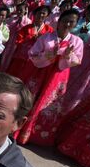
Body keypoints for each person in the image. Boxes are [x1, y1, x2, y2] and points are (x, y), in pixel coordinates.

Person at [13, 9, 84, 145]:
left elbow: (78, 60)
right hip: (40, 71)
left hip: (58, 75)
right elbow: (32, 53)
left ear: (75, 24)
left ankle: (35, 135)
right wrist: (48, 55)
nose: (67, 24)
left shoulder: (77, 42)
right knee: (31, 98)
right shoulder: (46, 37)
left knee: (48, 102)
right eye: (65, 21)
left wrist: (68, 55)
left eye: (71, 22)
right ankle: (19, 130)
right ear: (59, 21)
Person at [5, 5, 54, 82]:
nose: (41, 15)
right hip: (21, 58)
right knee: (14, 78)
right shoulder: (26, 28)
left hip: (36, 60)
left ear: (47, 16)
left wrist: (42, 40)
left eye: (43, 13)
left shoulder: (49, 30)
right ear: (35, 14)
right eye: (39, 13)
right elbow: (18, 41)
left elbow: (51, 45)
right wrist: (30, 38)